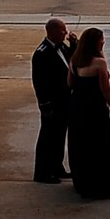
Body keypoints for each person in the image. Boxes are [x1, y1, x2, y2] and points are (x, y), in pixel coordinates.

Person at [67, 27, 110, 200]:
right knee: (101, 145)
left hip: (77, 107)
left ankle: (83, 182)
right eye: (102, 39)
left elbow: (70, 83)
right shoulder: (99, 63)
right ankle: (101, 185)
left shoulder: (74, 60)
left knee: (81, 145)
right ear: (96, 43)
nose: (104, 41)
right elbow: (106, 89)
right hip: (95, 109)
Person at [31, 17, 74, 183]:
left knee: (59, 136)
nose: (66, 32)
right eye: (63, 30)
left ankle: (57, 167)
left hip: (64, 101)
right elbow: (40, 83)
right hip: (52, 103)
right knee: (48, 137)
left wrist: (74, 44)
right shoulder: (42, 54)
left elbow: (73, 60)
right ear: (53, 32)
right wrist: (45, 105)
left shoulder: (62, 46)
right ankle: (43, 172)